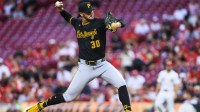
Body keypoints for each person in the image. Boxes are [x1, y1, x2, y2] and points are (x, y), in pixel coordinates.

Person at [25, 1, 132, 112]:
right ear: (81, 14)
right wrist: (61, 10)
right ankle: (39, 106)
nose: (91, 13)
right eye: (87, 12)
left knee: (121, 83)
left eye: (91, 11)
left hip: (102, 64)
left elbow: (122, 21)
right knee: (68, 97)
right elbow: (69, 18)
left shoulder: (100, 23)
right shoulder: (77, 23)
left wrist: (118, 24)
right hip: (85, 68)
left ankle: (128, 111)